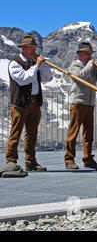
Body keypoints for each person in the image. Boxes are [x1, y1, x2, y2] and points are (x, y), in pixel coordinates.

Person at [5, 35, 53, 172]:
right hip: (20, 103)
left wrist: (42, 66)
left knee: (32, 134)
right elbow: (23, 79)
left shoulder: (34, 64)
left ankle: (31, 162)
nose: (33, 50)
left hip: (34, 102)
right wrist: (37, 66)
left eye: (34, 48)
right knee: (16, 132)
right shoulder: (15, 63)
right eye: (31, 48)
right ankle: (11, 161)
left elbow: (47, 78)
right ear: (24, 48)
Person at [64, 42, 97, 169]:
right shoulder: (75, 65)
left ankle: (88, 158)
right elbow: (80, 77)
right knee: (74, 131)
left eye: (90, 54)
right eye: (87, 53)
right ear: (80, 54)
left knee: (88, 134)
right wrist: (90, 65)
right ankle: (69, 159)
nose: (89, 56)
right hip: (78, 102)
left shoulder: (91, 66)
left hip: (90, 103)